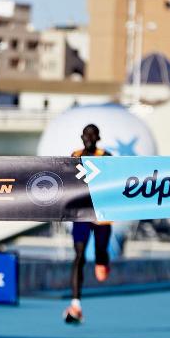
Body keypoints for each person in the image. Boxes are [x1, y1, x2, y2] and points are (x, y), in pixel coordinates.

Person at [64, 124, 112, 324]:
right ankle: (76, 304)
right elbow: (67, 180)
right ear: (81, 137)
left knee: (100, 252)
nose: (89, 138)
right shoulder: (75, 155)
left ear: (98, 138)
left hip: (101, 213)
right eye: (86, 135)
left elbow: (113, 182)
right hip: (82, 213)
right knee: (79, 255)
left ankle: (103, 261)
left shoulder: (106, 156)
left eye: (93, 135)